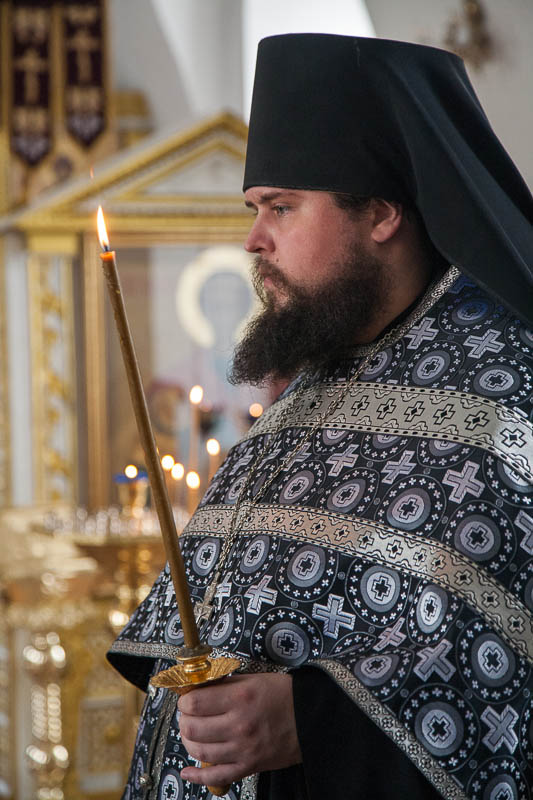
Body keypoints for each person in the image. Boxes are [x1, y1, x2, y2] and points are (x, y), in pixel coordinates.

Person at [108, 34, 533, 800]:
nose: (253, 240)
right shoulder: (317, 381)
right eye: (254, 209)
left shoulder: (505, 392)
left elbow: (502, 672)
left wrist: (311, 720)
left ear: (381, 213)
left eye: (281, 207)